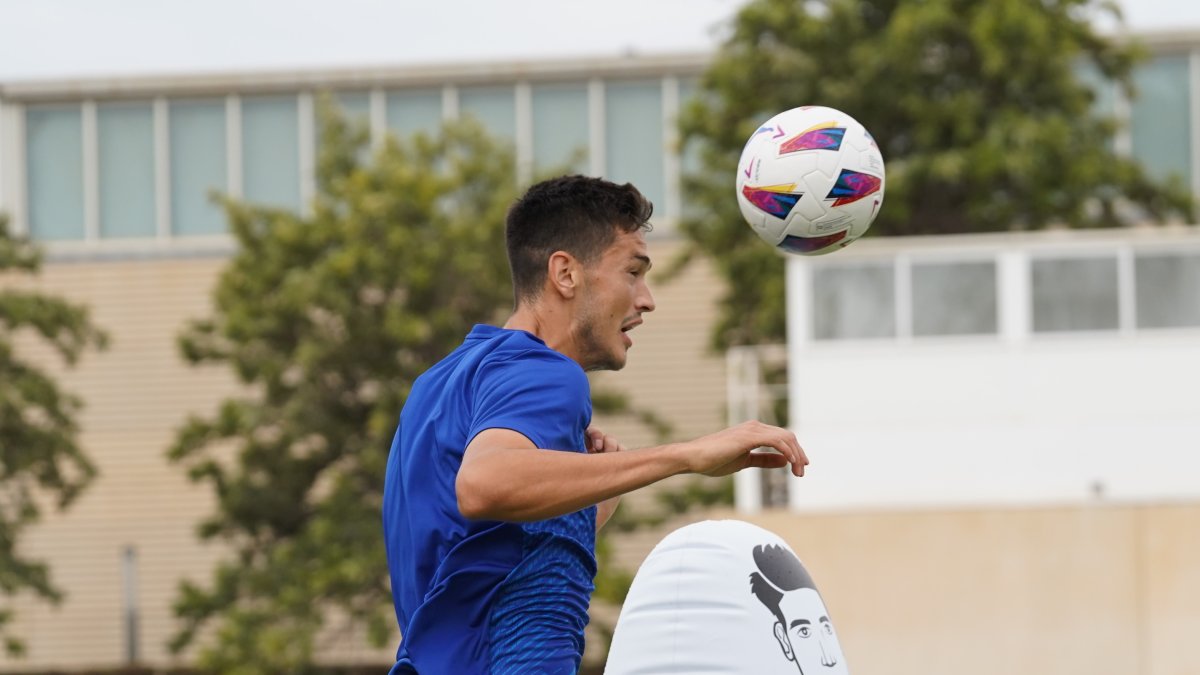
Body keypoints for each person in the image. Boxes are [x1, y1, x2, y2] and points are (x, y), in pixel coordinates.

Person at [382, 175, 808, 674]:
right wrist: (684, 456)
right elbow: (483, 485)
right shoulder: (547, 373)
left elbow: (477, 558)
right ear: (565, 273)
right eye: (633, 272)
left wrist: (584, 509)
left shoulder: (436, 386)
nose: (646, 299)